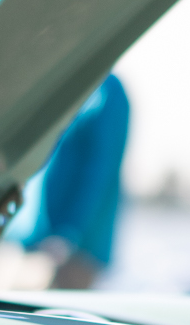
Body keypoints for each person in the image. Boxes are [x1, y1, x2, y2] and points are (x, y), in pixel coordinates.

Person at [17, 73, 130, 289]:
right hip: (33, 241)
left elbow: (99, 169)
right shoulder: (55, 81)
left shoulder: (106, 91)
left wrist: (68, 233)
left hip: (73, 249)